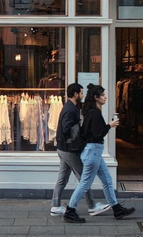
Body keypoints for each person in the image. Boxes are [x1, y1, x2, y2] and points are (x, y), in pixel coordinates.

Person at [63, 83, 136, 223]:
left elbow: (87, 133)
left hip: (93, 151)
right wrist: (110, 125)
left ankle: (116, 208)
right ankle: (70, 210)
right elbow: (98, 134)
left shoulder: (90, 112)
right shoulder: (95, 114)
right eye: (102, 95)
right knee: (85, 183)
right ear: (96, 97)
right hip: (93, 151)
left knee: (107, 180)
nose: (105, 97)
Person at [50, 83, 111, 217]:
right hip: (68, 150)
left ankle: (55, 206)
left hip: (63, 148)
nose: (83, 95)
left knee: (63, 178)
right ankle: (92, 205)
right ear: (76, 94)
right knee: (84, 178)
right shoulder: (70, 109)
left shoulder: (70, 107)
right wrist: (79, 131)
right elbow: (67, 128)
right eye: (81, 93)